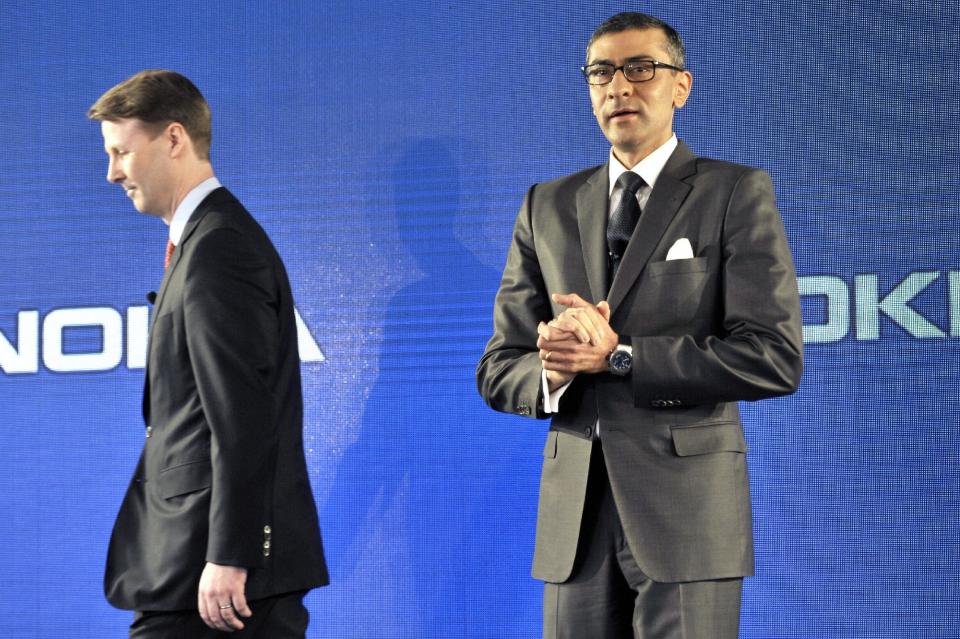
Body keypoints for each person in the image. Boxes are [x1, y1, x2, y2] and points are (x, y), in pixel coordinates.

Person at [477, 12, 803, 639]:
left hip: (686, 515)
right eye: (601, 72)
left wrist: (619, 356)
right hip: (574, 521)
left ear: (680, 86)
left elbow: (772, 355)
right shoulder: (545, 204)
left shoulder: (734, 192)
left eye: (639, 69)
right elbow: (499, 367)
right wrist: (551, 368)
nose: (619, 87)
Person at [89, 70, 328, 638]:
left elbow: (243, 417)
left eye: (122, 152)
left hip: (215, 579)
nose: (112, 172)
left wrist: (230, 555)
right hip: (194, 573)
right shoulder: (203, 243)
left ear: (174, 139)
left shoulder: (218, 248)